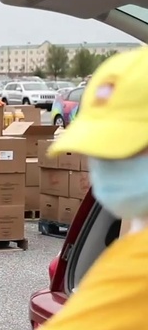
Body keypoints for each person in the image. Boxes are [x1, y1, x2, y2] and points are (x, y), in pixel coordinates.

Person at [42, 48, 148, 329]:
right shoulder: (132, 251)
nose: (104, 166)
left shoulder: (139, 270)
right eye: (98, 150)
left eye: (122, 148)